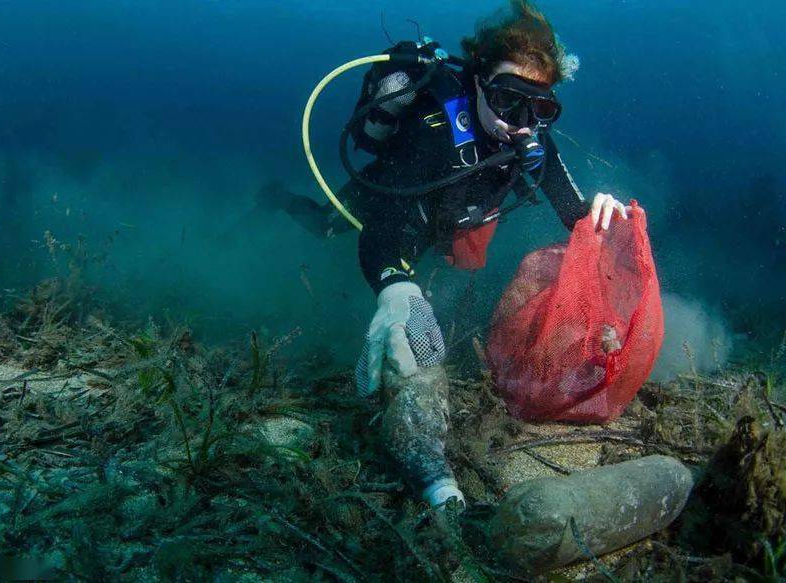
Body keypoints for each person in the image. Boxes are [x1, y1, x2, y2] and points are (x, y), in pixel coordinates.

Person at [265, 0, 629, 508]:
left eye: (539, 108)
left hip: (450, 225)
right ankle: (278, 201)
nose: (521, 124)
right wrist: (395, 287)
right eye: (507, 100)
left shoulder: (533, 140)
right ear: (478, 83)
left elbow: (573, 211)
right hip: (393, 206)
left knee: (445, 280)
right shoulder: (433, 130)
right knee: (327, 228)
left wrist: (599, 210)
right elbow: (383, 230)